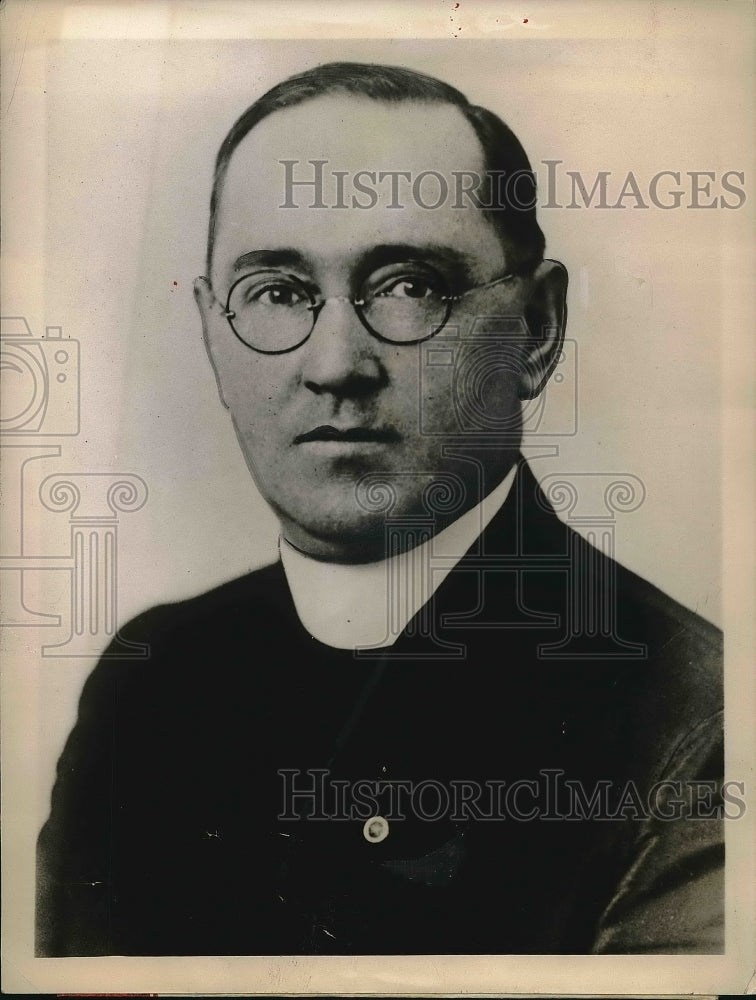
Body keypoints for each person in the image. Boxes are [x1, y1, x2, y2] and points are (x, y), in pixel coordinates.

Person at [36, 61, 724, 957]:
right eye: (277, 293)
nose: (335, 363)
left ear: (538, 328)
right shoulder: (147, 682)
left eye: (410, 285)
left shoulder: (697, 728)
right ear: (211, 330)